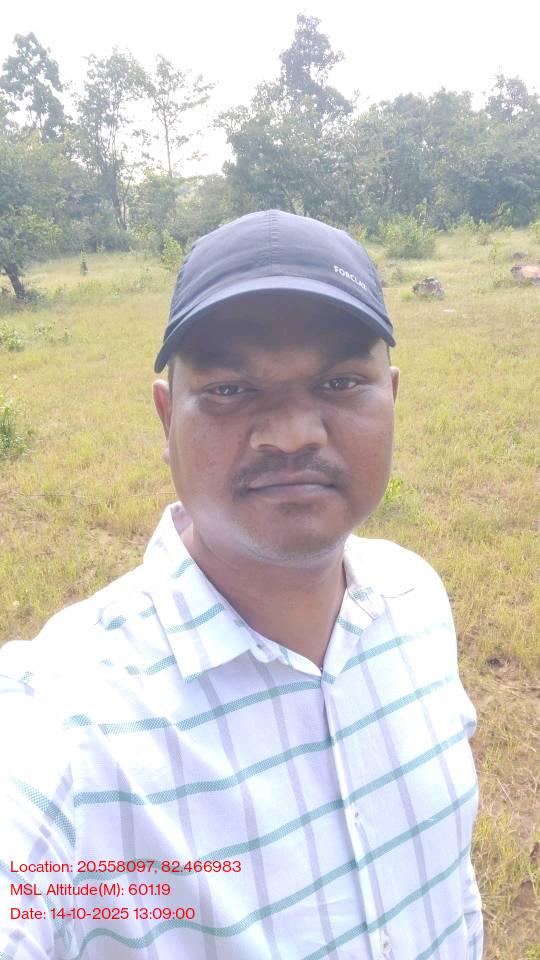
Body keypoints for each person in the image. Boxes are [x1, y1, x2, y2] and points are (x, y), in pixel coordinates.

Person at [0, 210, 483, 959]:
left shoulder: (416, 600)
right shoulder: (66, 728)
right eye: (229, 389)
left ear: (391, 397)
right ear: (166, 419)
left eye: (339, 382)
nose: (291, 433)